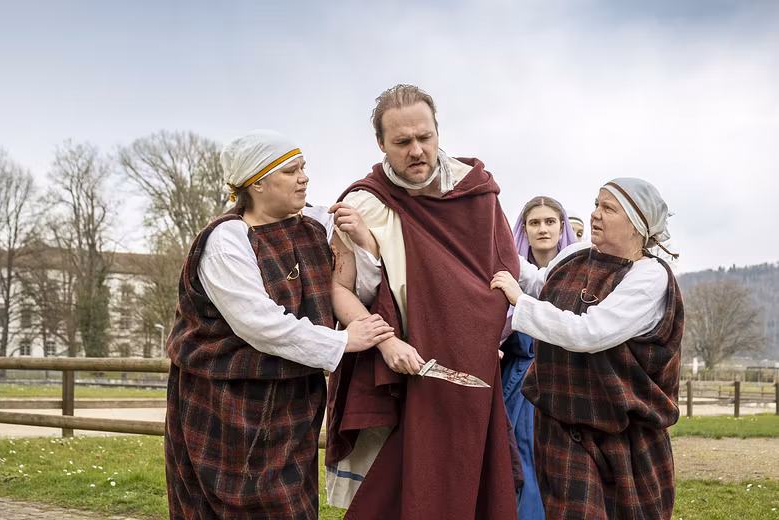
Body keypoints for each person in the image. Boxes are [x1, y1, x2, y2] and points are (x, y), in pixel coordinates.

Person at [164, 129, 395, 519]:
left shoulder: (317, 225)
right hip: (224, 402)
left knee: (292, 508)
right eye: (290, 170)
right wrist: (341, 342)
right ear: (257, 182)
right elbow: (260, 323)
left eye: (303, 167)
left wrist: (364, 243)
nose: (304, 177)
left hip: (293, 404)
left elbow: (358, 287)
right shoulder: (226, 241)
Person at [325, 84, 522, 519]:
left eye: (425, 137)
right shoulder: (362, 204)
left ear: (437, 132)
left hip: (468, 366)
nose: (417, 151)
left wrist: (487, 334)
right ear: (380, 144)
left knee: (472, 487)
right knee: (395, 494)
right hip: (399, 366)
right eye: (402, 142)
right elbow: (340, 290)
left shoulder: (477, 193)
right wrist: (385, 341)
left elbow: (500, 278)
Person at [491, 178, 683, 520]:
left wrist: (519, 303)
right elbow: (540, 282)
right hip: (563, 421)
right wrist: (493, 238)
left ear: (637, 224)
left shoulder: (649, 278)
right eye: (596, 204)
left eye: (608, 209)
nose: (594, 214)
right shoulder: (576, 254)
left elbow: (590, 332)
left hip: (623, 432)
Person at [500, 196, 577, 519]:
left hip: (567, 376)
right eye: (534, 222)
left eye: (550, 222)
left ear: (562, 228)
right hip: (519, 379)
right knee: (522, 455)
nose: (542, 229)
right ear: (524, 229)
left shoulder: (576, 270)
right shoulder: (509, 269)